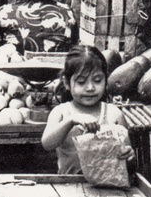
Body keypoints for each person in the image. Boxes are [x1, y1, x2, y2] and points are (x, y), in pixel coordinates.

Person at [41, 46, 133, 174]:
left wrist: (127, 155)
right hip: (69, 186)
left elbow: (127, 154)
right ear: (67, 83)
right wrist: (71, 120)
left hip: (107, 186)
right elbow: (47, 143)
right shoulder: (61, 112)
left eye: (97, 80)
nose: (90, 88)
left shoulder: (114, 115)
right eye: (81, 82)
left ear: (106, 80)